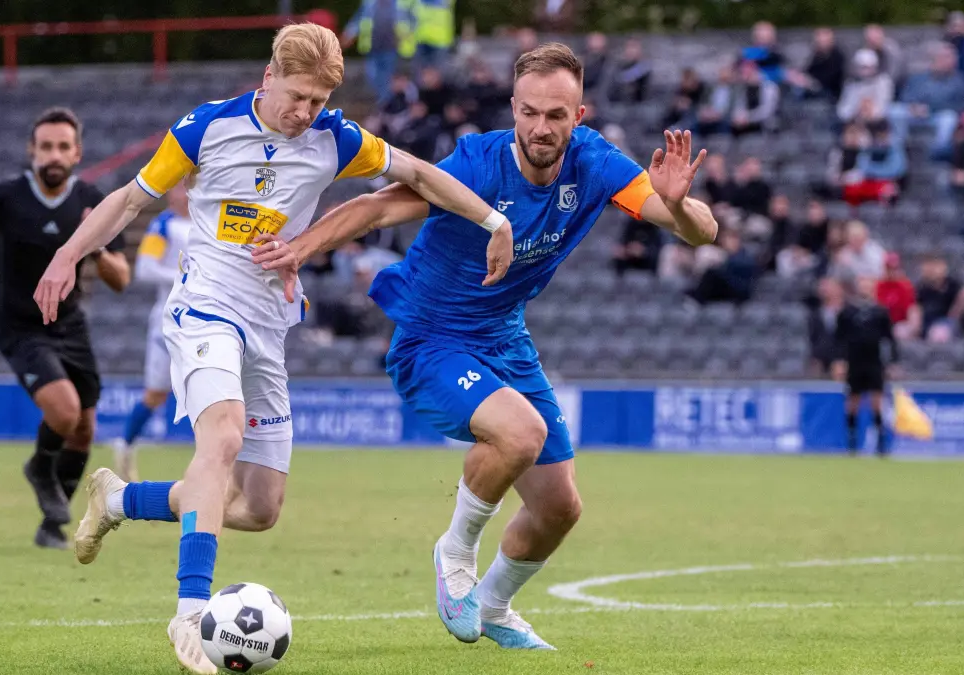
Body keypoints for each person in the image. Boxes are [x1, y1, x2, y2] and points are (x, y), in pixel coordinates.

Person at [31, 23, 514, 674]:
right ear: (267, 77)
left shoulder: (335, 138)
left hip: (268, 321)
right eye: (296, 97)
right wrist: (67, 255)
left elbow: (422, 175)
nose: (305, 112)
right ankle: (189, 613)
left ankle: (118, 500)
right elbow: (129, 199)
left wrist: (493, 219)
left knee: (258, 508)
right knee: (221, 439)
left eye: (317, 100)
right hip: (203, 303)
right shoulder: (205, 130)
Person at [271, 42, 717, 649]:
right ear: (513, 107)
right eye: (529, 112)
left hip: (505, 339)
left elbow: (698, 231)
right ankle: (454, 554)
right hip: (432, 342)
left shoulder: (596, 163)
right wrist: (298, 249)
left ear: (579, 115)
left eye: (556, 115)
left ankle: (495, 605)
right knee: (520, 433)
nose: (541, 127)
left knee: (559, 508)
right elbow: (378, 208)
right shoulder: (477, 165)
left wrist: (675, 204)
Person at [0, 108, 131, 550]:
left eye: (62, 147)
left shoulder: (94, 201)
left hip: (70, 325)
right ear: (31, 151)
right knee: (64, 411)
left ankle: (51, 525)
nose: (53, 156)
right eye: (45, 147)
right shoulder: (5, 196)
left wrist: (92, 245)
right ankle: (40, 469)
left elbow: (121, 279)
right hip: (20, 325)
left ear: (76, 153)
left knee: (84, 429)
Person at [109, 184, 192, 482]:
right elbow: (145, 268)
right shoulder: (164, 225)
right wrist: (186, 277)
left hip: (206, 318)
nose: (179, 194)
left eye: (184, 188)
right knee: (156, 393)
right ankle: (126, 445)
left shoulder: (210, 220)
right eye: (176, 189)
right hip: (169, 318)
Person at [832, 276, 900, 456]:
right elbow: (838, 339)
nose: (865, 288)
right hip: (854, 362)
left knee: (876, 402)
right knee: (853, 403)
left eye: (868, 285)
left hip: (874, 362)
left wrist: (892, 362)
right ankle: (852, 444)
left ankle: (880, 444)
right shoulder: (847, 312)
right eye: (862, 284)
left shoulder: (880, 312)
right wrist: (839, 361)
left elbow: (890, 339)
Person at [887, 41, 964, 160]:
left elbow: (959, 105)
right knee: (893, 110)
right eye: (945, 57)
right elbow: (905, 96)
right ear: (935, 59)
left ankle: (938, 153)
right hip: (914, 115)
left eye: (952, 57)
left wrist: (931, 109)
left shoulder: (958, 81)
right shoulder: (918, 77)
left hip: (937, 116)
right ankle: (897, 149)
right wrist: (913, 107)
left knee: (948, 118)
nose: (950, 61)